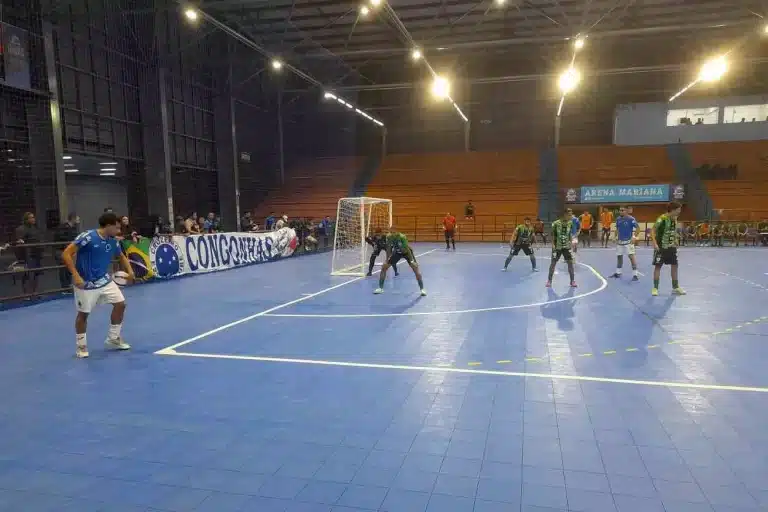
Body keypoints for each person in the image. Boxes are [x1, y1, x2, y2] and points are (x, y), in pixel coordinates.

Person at [61, 212, 136, 358]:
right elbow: (66, 254)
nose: (118, 231)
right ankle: (81, 346)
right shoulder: (87, 237)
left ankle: (113, 339)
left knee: (120, 304)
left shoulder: (113, 240)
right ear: (108, 226)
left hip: (104, 280)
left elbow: (121, 256)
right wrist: (75, 276)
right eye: (116, 228)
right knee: (83, 314)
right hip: (85, 283)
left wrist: (130, 272)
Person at [374, 229, 425, 296]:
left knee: (415, 268)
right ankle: (380, 288)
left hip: (406, 253)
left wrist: (412, 261)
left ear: (397, 232)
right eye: (391, 232)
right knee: (384, 267)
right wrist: (387, 259)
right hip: (397, 253)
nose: (392, 234)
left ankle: (422, 289)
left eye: (394, 232)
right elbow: (388, 248)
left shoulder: (402, 237)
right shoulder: (389, 237)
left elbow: (407, 249)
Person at [651, 202, 686, 297]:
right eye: (679, 209)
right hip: (661, 247)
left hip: (671, 247)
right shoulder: (661, 219)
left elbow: (673, 231)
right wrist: (654, 243)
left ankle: (675, 287)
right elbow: (652, 230)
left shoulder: (675, 219)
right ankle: (655, 288)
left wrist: (675, 240)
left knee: (675, 265)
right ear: (673, 209)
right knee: (658, 266)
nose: (680, 211)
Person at [14, 212, 44, 295]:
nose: (33, 219)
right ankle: (26, 294)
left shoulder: (35, 228)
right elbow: (19, 242)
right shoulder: (21, 229)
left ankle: (35, 292)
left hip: (36, 253)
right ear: (26, 220)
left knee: (36, 274)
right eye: (31, 218)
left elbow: (38, 238)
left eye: (33, 217)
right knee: (26, 275)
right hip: (27, 255)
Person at [546, 210, 577, 288]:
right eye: (569, 215)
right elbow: (552, 235)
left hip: (567, 247)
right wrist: (553, 244)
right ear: (565, 215)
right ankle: (549, 281)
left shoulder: (570, 223)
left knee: (570, 263)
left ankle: (572, 281)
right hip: (557, 247)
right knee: (553, 263)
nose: (571, 216)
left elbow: (570, 233)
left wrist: (571, 242)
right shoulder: (556, 223)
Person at [610, 206, 640, 281]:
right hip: (620, 241)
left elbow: (638, 228)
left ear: (626, 211)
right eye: (620, 210)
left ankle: (635, 274)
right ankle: (618, 273)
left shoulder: (631, 219)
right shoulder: (618, 219)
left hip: (628, 242)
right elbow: (617, 229)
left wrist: (634, 237)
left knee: (631, 257)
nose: (621, 212)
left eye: (622, 210)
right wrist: (614, 237)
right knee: (619, 257)